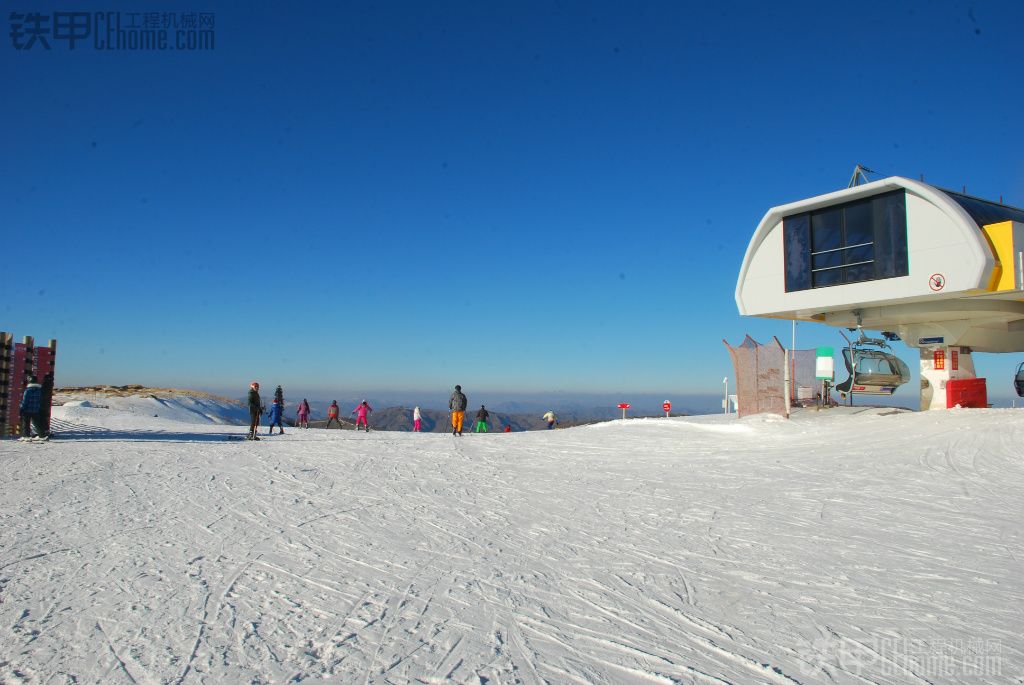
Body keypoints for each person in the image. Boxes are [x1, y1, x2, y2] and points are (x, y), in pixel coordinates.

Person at [18, 376, 46, 441]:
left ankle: (26, 437)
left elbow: (25, 401)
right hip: (36, 410)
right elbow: (40, 400)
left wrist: (22, 409)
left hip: (27, 410)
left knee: (26, 424)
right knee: (37, 423)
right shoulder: (39, 390)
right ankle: (42, 436)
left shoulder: (27, 391)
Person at [40, 372, 54, 438]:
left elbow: (43, 395)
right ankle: (46, 431)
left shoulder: (45, 385)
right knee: (44, 418)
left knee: (41, 418)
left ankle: (43, 433)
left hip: (42, 404)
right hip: (46, 404)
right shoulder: (50, 385)